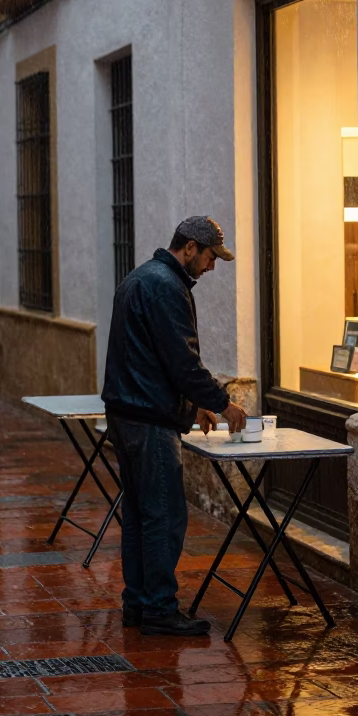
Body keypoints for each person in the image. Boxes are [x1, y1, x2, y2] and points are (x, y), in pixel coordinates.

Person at [103, 216, 247, 637]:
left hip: (127, 414)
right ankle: (160, 608)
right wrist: (221, 403)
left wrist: (189, 410)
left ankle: (138, 603)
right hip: (147, 423)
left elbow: (151, 361)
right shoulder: (166, 287)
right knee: (163, 516)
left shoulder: (141, 278)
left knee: (140, 514)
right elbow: (181, 361)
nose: (211, 267)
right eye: (209, 257)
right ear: (189, 247)